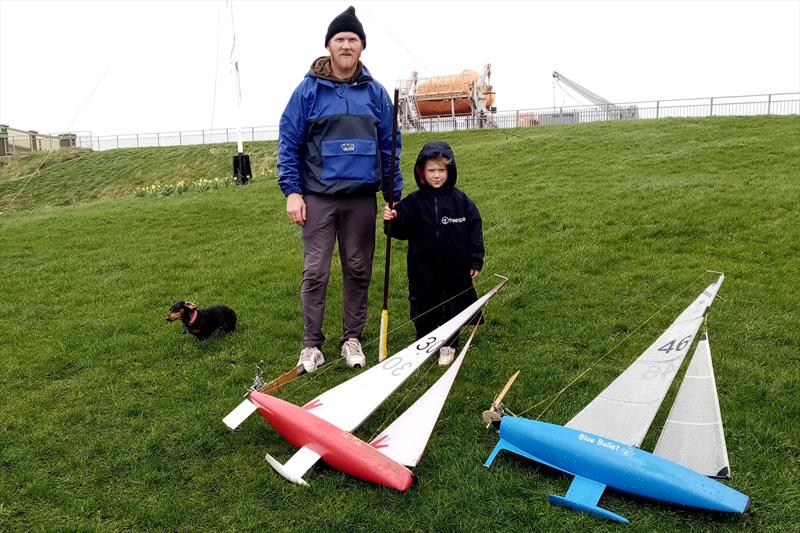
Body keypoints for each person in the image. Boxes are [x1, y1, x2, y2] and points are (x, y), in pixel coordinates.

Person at [277, 6, 403, 373]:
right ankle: (311, 345)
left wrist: (392, 195)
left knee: (358, 267)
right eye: (340, 40)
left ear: (361, 47)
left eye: (353, 40)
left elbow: (389, 147)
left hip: (360, 198)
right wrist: (293, 191)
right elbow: (289, 142)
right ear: (329, 46)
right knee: (315, 270)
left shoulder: (376, 94)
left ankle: (352, 339)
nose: (346, 46)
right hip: (317, 197)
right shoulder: (307, 92)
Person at [383, 141, 484, 367]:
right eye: (431, 171)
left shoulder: (462, 202)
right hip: (422, 269)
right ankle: (424, 342)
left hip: (455, 268)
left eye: (441, 170)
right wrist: (392, 220)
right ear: (422, 172)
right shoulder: (413, 202)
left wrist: (475, 259)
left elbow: (475, 230)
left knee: (453, 305)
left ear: (450, 171)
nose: (436, 175)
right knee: (423, 304)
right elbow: (398, 231)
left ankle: (449, 344)